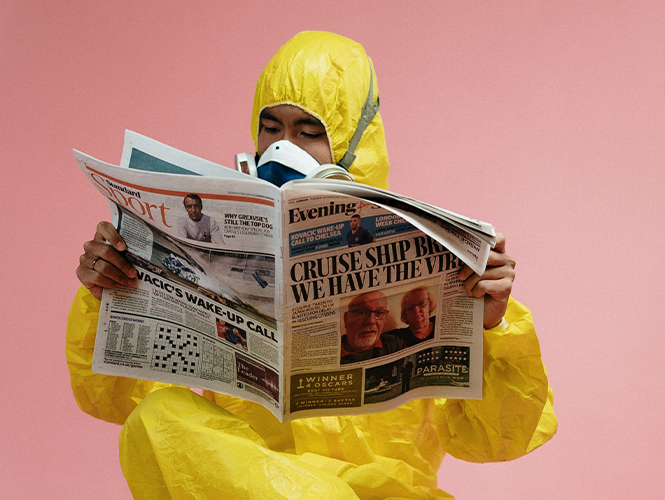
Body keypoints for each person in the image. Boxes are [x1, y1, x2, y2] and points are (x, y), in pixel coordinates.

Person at [70, 31, 556, 499]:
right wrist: (113, 293)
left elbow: (495, 440)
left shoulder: (434, 255)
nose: (284, 149)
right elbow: (112, 402)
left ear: (358, 140)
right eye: (271, 129)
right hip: (256, 492)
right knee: (156, 420)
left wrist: (493, 329)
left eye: (309, 132)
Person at [340, 291, 404, 364]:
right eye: (362, 312)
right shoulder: (336, 352)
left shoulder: (394, 344)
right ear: (346, 319)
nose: (371, 321)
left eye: (379, 313)